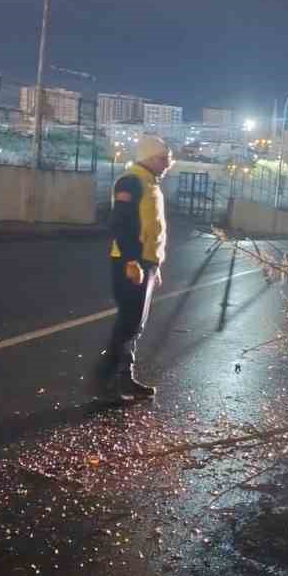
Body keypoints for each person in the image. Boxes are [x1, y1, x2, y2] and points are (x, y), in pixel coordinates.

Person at [92, 135, 173, 402]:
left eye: (168, 159)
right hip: (130, 262)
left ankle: (124, 379)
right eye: (163, 158)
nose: (167, 164)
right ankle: (106, 378)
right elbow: (121, 224)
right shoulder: (131, 180)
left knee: (135, 323)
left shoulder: (151, 183)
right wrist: (131, 261)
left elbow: (154, 229)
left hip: (145, 263)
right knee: (129, 322)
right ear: (149, 158)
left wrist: (155, 266)